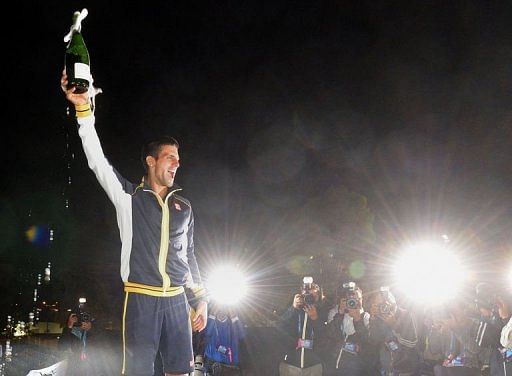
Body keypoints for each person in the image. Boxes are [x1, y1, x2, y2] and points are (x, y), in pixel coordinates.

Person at [60, 71, 208, 376]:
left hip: (178, 301)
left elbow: (189, 254)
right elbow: (97, 161)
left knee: (181, 371)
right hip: (141, 299)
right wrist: (83, 111)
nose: (176, 164)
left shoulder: (185, 207)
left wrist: (201, 299)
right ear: (151, 162)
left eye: (178, 159)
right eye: (169, 157)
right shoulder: (128, 197)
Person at [276, 277, 327, 376]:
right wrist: (293, 309)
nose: (310, 293)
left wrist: (315, 318)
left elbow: (325, 336)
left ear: (318, 292)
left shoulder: (323, 310)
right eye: (306, 290)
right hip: (290, 363)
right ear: (301, 291)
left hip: (314, 364)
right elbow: (279, 327)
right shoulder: (292, 307)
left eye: (313, 290)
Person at [323, 281, 374, 376]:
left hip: (355, 370)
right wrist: (341, 312)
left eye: (357, 299)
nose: (354, 302)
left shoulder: (367, 317)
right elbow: (330, 335)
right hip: (332, 368)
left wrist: (358, 319)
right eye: (351, 299)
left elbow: (367, 343)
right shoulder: (336, 313)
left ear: (362, 299)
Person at [368, 286, 419, 376]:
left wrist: (394, 324)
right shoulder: (379, 318)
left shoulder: (406, 315)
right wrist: (372, 319)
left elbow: (412, 343)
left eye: (383, 304)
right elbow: (374, 341)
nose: (382, 308)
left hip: (405, 370)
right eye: (378, 305)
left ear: (392, 302)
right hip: (385, 369)